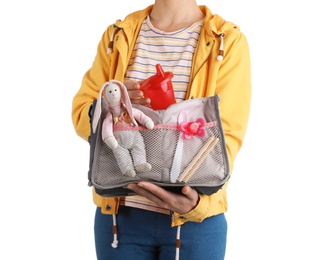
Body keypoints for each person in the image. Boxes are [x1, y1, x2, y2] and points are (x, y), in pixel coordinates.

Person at [72, 0, 251, 259]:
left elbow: (227, 136)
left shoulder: (227, 40)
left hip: (195, 225)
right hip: (120, 221)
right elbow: (81, 115)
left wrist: (200, 204)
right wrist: (111, 104)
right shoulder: (118, 35)